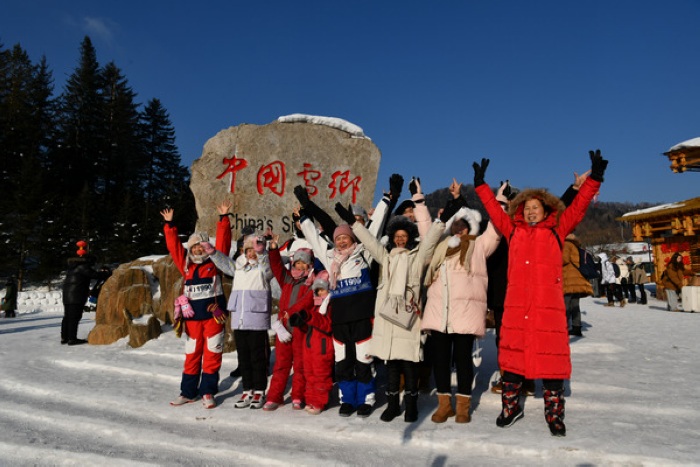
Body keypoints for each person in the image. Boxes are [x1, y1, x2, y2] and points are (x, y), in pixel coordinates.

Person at [473, 149, 608, 437]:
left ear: (546, 210)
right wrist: (482, 186)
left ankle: (554, 414)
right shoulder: (513, 231)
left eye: (536, 207)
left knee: (552, 362)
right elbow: (495, 212)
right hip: (516, 309)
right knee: (511, 360)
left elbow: (579, 206)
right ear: (520, 211)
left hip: (548, 310)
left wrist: (595, 178)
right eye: (527, 207)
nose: (531, 210)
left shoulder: (557, 231)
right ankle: (510, 407)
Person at [341, 207, 443, 423]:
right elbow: (370, 242)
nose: (400, 240)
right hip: (388, 319)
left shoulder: (416, 259)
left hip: (408, 319)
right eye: (397, 237)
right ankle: (394, 406)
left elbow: (430, 244)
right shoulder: (385, 258)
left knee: (410, 364)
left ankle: (411, 406)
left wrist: (440, 221)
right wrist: (354, 222)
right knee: (392, 366)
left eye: (404, 237)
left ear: (410, 239)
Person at [421, 198, 501, 424]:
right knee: (441, 361)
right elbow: (426, 230)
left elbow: (496, 229)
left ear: (471, 226)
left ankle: (463, 406)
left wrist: (500, 201)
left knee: (464, 360)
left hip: (465, 313)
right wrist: (419, 201)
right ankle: (444, 405)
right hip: (440, 313)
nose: (459, 227)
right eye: (455, 224)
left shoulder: (479, 245)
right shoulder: (440, 247)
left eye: (464, 223)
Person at [161, 204, 230, 409]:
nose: (198, 249)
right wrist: (169, 224)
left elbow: (224, 244)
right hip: (191, 320)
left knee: (211, 354)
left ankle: (207, 392)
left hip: (213, 317)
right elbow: (174, 246)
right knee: (192, 355)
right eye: (194, 246)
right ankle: (188, 392)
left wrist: (223, 219)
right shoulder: (186, 265)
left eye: (201, 245)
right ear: (190, 249)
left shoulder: (215, 262)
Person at [207, 231, 274, 409]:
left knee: (257, 357)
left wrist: (262, 253)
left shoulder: (263, 267)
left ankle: (259, 391)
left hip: (256, 317)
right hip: (239, 319)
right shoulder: (238, 265)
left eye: (255, 249)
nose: (251, 253)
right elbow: (224, 263)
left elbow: (268, 268)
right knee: (243, 357)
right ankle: (248, 389)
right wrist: (212, 251)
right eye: (248, 249)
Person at [263, 240, 316, 411]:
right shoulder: (287, 279)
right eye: (297, 263)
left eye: (303, 264)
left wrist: (288, 313)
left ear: (309, 266)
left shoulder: (311, 283)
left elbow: (306, 302)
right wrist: (272, 250)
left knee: (300, 365)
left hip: (300, 330)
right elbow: (277, 266)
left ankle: (298, 396)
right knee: (281, 364)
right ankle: (274, 396)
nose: (299, 266)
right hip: (283, 330)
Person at [288, 270, 335, 414]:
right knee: (309, 376)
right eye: (317, 291)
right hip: (309, 348)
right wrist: (300, 322)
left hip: (322, 348)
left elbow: (327, 325)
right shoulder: (314, 307)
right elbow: (310, 324)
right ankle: (310, 400)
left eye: (322, 290)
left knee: (321, 376)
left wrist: (309, 316)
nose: (320, 293)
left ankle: (319, 402)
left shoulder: (330, 306)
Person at [61, 255, 111, 345]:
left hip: (67, 296)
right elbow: (95, 275)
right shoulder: (83, 267)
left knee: (67, 317)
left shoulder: (72, 268)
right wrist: (106, 273)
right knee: (74, 317)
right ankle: (72, 339)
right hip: (76, 296)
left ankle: (65, 337)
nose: (93, 265)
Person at [563, 234, 593, 337]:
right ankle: (577, 327)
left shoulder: (566, 244)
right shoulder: (576, 246)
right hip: (577, 279)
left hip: (569, 279)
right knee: (575, 305)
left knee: (565, 305)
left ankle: (564, 327)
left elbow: (564, 259)